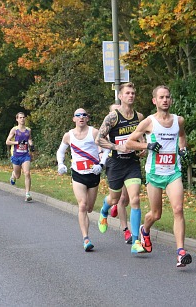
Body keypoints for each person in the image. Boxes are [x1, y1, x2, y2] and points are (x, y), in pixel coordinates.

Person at [126, 85, 192, 267]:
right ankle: (144, 230)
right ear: (154, 101)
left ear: (171, 100)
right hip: (154, 174)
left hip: (173, 173)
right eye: (161, 97)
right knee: (156, 214)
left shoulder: (179, 120)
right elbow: (130, 142)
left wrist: (183, 149)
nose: (165, 100)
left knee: (178, 209)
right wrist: (147, 146)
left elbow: (182, 136)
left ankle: (180, 252)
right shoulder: (148, 122)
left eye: (168, 97)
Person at [95, 82, 146, 254]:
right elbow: (98, 139)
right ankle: (103, 211)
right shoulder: (112, 117)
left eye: (133, 93)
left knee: (135, 200)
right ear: (121, 96)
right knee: (114, 199)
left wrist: (142, 149)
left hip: (132, 163)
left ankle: (135, 241)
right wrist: (118, 147)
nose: (131, 95)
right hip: (116, 163)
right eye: (127, 93)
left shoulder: (139, 117)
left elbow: (142, 139)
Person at [57, 108, 106, 251]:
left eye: (84, 115)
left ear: (87, 118)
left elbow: (107, 148)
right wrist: (61, 164)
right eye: (78, 115)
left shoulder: (94, 132)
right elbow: (60, 151)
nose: (81, 117)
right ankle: (86, 239)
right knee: (82, 205)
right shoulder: (68, 135)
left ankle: (104, 208)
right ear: (74, 119)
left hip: (93, 173)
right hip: (78, 173)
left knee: (90, 208)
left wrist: (101, 164)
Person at [105, 104, 132, 244]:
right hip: (114, 165)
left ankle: (115, 205)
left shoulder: (127, 124)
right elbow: (100, 145)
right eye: (114, 110)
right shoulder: (107, 128)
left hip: (129, 164)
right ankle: (125, 230)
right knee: (120, 199)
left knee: (126, 200)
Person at [5, 112, 35, 202]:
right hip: (16, 155)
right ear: (17, 119)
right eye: (20, 117)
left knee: (27, 173)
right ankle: (13, 175)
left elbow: (29, 138)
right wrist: (17, 143)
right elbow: (7, 141)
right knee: (18, 176)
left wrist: (31, 144)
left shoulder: (28, 130)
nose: (22, 119)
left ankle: (27, 194)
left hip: (25, 155)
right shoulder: (14, 130)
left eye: (23, 117)